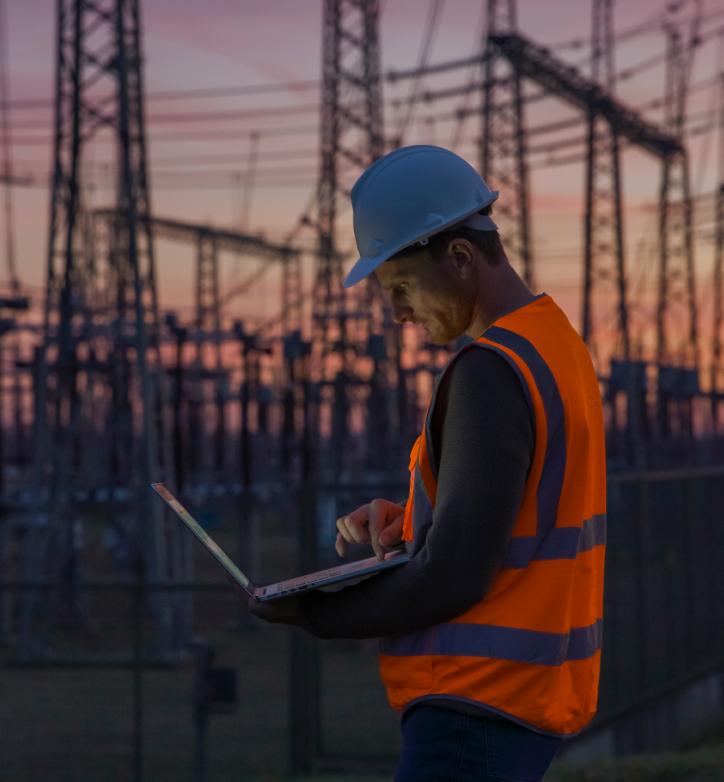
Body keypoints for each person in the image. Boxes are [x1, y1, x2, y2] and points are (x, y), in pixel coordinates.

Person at [230, 145, 607, 781]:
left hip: (472, 710)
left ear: (460, 258)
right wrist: (415, 520)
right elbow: (524, 510)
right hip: (527, 703)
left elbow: (455, 575)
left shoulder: (490, 370)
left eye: (401, 286)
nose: (399, 313)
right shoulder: (558, 345)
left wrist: (316, 612)